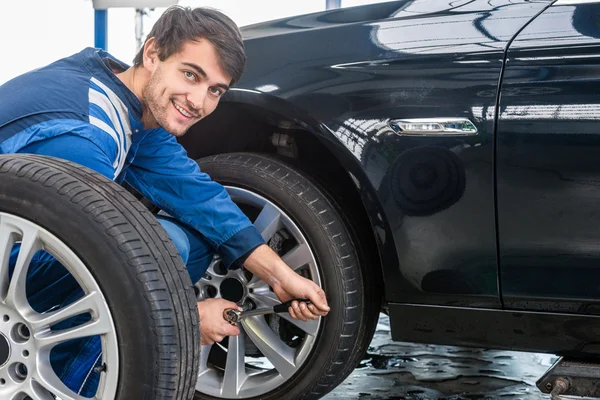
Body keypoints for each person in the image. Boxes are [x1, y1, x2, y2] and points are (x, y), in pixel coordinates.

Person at [0, 5, 330, 396]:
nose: (198, 101)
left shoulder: (121, 94)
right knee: (154, 249)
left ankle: (88, 361)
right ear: (153, 53)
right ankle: (66, 385)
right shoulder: (85, 137)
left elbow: (197, 195)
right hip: (11, 279)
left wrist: (279, 275)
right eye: (190, 75)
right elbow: (89, 255)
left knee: (187, 240)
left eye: (215, 90)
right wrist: (179, 320)